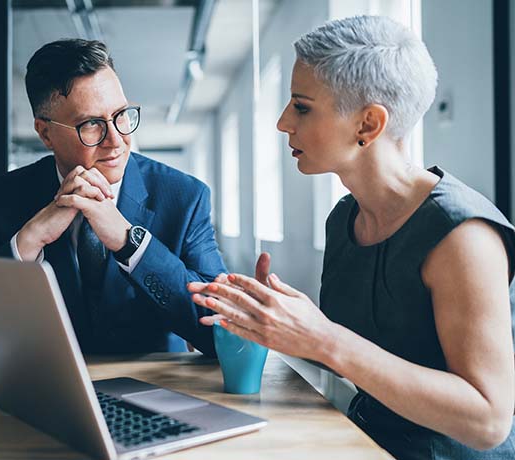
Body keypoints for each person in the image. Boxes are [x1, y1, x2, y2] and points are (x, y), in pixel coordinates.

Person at [189, 15, 515, 460]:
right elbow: (363, 358)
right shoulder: (344, 218)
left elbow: (488, 421)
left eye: (302, 107)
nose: (284, 123)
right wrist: (278, 320)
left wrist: (322, 337)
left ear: (367, 125)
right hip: (360, 443)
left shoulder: (463, 237)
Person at [0, 39, 225, 357]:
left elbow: (220, 331)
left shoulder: (184, 197)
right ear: (45, 133)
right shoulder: (4, 198)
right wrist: (29, 241)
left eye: (121, 115)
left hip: (156, 390)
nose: (116, 141)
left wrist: (132, 244)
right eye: (92, 125)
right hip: (48, 392)